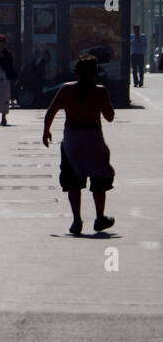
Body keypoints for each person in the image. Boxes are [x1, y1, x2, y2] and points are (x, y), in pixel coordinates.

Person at [44, 55, 116, 235]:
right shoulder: (100, 91)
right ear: (95, 73)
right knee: (99, 178)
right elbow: (110, 116)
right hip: (93, 138)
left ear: (77, 73)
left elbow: (51, 111)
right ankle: (99, 218)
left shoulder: (66, 89)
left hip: (72, 140)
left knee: (73, 181)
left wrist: (46, 131)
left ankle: (77, 220)